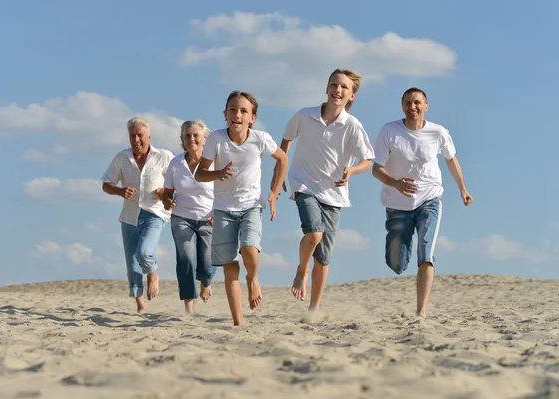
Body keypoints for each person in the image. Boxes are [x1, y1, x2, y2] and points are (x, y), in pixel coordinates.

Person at [277, 69, 374, 313]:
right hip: (304, 184)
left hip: (333, 194)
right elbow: (286, 140)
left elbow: (368, 159)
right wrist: (280, 173)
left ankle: (314, 309)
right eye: (334, 84)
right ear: (326, 88)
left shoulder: (352, 126)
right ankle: (302, 270)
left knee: (324, 257)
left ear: (351, 96)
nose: (337, 90)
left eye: (344, 87)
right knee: (314, 234)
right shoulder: (305, 115)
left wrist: (351, 171)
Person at [372, 87, 473, 318]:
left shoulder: (438, 132)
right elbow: (376, 168)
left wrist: (463, 189)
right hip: (398, 205)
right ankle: (400, 258)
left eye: (417, 102)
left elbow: (451, 160)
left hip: (429, 199)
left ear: (426, 106)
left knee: (426, 253)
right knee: (396, 263)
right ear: (402, 106)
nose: (412, 107)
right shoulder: (389, 131)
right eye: (408, 102)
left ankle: (421, 312)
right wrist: (395, 183)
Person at [195, 91, 288, 326]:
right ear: (225, 114)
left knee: (249, 250)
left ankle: (253, 278)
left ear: (252, 117)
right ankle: (239, 322)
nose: (238, 114)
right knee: (229, 265)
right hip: (223, 209)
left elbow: (283, 159)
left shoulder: (260, 138)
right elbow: (200, 173)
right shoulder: (215, 139)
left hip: (251, 206)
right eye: (233, 109)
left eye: (244, 111)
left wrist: (274, 193)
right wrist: (218, 173)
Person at [101, 116, 174, 313]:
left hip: (154, 213)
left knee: (144, 252)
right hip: (129, 215)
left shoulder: (164, 156)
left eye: (140, 135)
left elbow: (178, 182)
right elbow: (106, 184)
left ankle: (152, 273)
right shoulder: (122, 158)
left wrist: (165, 193)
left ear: (149, 136)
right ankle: (140, 304)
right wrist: (120, 191)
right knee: (132, 263)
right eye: (132, 136)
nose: (136, 140)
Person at [163, 120, 216, 315]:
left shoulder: (214, 162)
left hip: (208, 217)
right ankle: (189, 306)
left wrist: (217, 214)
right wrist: (168, 201)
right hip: (181, 217)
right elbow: (167, 192)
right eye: (187, 136)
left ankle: (206, 281)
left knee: (207, 263)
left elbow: (225, 191)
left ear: (205, 139)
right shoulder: (176, 163)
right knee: (185, 258)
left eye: (195, 135)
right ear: (182, 140)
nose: (191, 139)